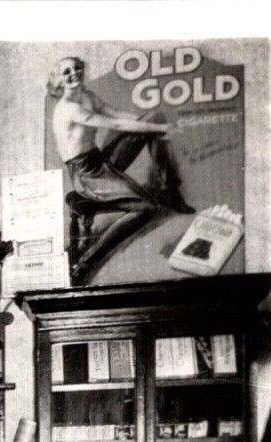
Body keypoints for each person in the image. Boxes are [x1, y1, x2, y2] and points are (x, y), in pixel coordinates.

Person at [49, 55, 193, 281]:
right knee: (145, 208)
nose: (74, 73)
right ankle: (84, 264)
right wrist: (160, 128)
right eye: (66, 72)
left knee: (154, 116)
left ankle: (170, 191)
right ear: (57, 80)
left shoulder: (87, 96)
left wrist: (151, 126)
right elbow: (113, 124)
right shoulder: (67, 109)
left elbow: (116, 114)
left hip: (99, 158)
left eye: (77, 68)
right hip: (87, 173)